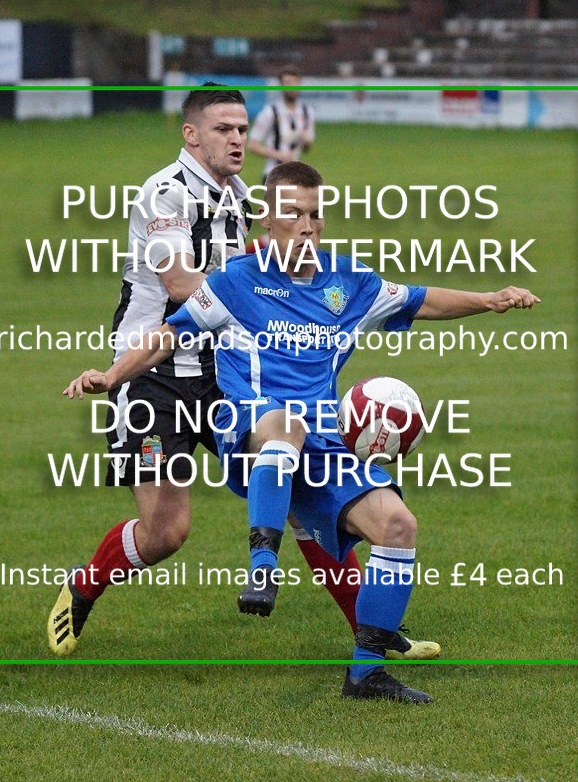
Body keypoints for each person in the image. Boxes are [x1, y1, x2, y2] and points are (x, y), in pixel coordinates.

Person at [63, 161, 541, 703]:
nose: (308, 226)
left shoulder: (349, 283)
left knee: (398, 525)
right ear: (267, 219)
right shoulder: (235, 282)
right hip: (249, 429)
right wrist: (111, 374)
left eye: (316, 215)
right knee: (282, 428)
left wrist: (491, 299)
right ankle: (262, 566)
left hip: (320, 443)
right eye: (294, 215)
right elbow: (167, 337)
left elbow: (421, 299)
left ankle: (366, 673)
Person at [47, 88, 435, 663]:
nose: (238, 139)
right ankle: (85, 585)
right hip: (154, 375)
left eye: (241, 127)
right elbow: (182, 286)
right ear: (192, 135)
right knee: (166, 532)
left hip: (225, 373)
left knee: (304, 487)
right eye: (225, 128)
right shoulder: (166, 194)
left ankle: (371, 633)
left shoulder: (242, 197)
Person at [247, 65, 315, 184]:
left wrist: (307, 142)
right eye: (288, 82)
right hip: (273, 174)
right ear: (281, 85)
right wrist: (279, 155)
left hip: (296, 175)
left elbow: (306, 148)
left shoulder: (307, 112)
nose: (292, 86)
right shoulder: (270, 112)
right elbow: (252, 145)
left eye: (295, 82)